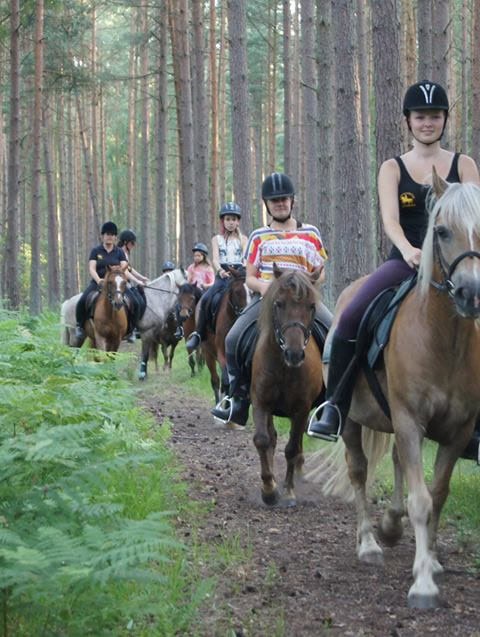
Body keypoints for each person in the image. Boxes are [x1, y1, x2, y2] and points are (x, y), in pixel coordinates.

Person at [307, 80, 480, 452]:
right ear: (408, 121)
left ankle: (475, 426)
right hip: (406, 261)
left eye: (434, 116)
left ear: (444, 120)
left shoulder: (463, 165)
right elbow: (391, 220)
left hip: (459, 263)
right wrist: (409, 250)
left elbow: (475, 217)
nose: (427, 123)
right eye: (421, 116)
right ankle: (334, 406)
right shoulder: (393, 167)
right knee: (351, 317)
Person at [211, 172, 332, 426]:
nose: (280, 204)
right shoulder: (258, 236)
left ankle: (330, 404)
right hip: (268, 300)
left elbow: (321, 274)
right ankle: (238, 399)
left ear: (292, 201)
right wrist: (268, 287)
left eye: (284, 199)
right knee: (233, 338)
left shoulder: (310, 233)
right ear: (267, 204)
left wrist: (306, 287)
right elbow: (250, 277)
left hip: (303, 301)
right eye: (275, 200)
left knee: (334, 336)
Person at [186, 202, 248, 351]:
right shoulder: (217, 239)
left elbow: (245, 257)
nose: (231, 222)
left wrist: (241, 270)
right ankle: (199, 333)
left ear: (238, 221)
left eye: (234, 219)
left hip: (239, 274)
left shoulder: (244, 239)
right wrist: (220, 270)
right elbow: (214, 259)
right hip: (223, 274)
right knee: (207, 299)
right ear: (223, 221)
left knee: (255, 297)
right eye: (228, 219)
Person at [75, 221, 128, 341]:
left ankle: (131, 329)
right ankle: (80, 326)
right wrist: (99, 280)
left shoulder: (119, 252)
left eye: (112, 234)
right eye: (107, 234)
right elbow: (91, 268)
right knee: (83, 300)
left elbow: (124, 264)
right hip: (98, 283)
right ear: (102, 236)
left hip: (116, 284)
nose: (109, 237)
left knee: (133, 300)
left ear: (115, 237)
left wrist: (117, 272)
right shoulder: (96, 251)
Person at [174, 243, 215, 339]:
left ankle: (209, 324)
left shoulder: (208, 268)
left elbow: (212, 282)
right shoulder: (191, 267)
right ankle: (180, 328)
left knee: (207, 304)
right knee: (178, 305)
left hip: (203, 291)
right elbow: (189, 280)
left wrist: (206, 285)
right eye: (195, 256)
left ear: (203, 256)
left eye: (198, 255)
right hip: (192, 290)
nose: (196, 257)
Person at [117, 229, 150, 343]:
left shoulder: (126, 253)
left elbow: (130, 269)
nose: (134, 245)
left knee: (141, 300)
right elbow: (125, 272)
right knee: (136, 302)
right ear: (125, 242)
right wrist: (137, 281)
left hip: (128, 282)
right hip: (120, 283)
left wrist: (142, 278)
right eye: (132, 243)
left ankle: (135, 327)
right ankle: (130, 330)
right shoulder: (120, 252)